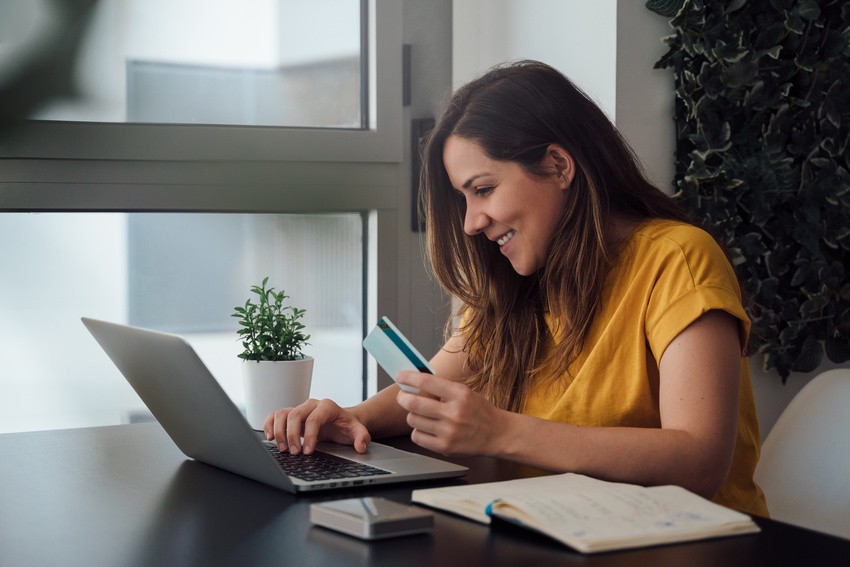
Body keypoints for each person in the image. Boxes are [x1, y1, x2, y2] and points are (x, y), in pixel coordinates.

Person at [264, 60, 768, 517]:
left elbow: (700, 461)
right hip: (562, 534)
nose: (470, 223)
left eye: (483, 189)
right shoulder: (521, 283)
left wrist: (501, 431)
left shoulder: (678, 258)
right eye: (463, 198)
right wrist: (347, 419)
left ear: (558, 165)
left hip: (691, 543)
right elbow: (428, 390)